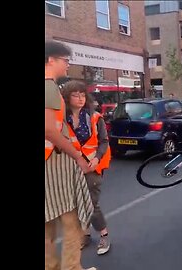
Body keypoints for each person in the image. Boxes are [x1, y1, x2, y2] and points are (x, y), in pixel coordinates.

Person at [45, 41, 97, 270]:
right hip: (55, 166)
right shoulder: (48, 87)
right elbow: (49, 129)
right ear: (51, 60)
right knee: (72, 222)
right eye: (65, 60)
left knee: (47, 224)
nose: (68, 65)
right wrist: (77, 156)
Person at [62, 80, 112, 256]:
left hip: (93, 166)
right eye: (75, 95)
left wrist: (97, 158)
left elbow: (104, 142)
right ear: (67, 98)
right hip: (72, 167)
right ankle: (85, 234)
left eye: (83, 94)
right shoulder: (62, 118)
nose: (80, 98)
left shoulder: (95, 117)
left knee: (91, 204)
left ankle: (104, 235)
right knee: (77, 203)